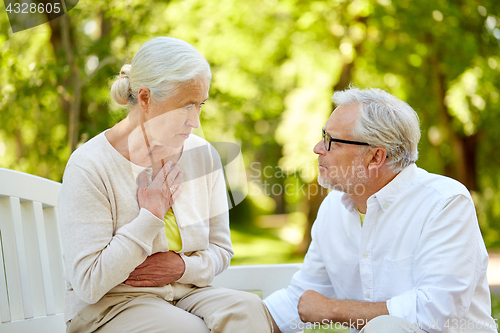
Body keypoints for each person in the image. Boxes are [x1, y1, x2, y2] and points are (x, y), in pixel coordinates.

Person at [58, 37, 273, 333]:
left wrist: (184, 268)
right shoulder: (90, 165)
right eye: (185, 107)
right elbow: (88, 283)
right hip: (112, 307)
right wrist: (150, 216)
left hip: (187, 294)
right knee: (184, 329)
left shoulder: (203, 155)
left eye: (200, 105)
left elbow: (221, 249)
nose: (195, 121)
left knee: (250, 310)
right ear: (145, 98)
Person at [264, 87, 497, 333]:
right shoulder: (333, 207)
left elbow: (435, 314)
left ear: (375, 157)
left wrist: (332, 310)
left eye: (330, 140)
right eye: (323, 136)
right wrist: (240, 313)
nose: (317, 148)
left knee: (387, 328)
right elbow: (303, 301)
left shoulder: (445, 202)